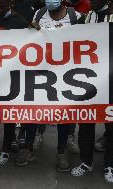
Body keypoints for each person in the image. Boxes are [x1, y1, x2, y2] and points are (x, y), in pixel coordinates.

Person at [32, 0, 83, 171]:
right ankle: (38, 134)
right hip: (44, 71)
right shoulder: (39, 14)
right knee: (41, 106)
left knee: (64, 112)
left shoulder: (75, 16)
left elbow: (85, 39)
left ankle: (62, 149)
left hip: (67, 72)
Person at [0, 0, 37, 165]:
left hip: (20, 72)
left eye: (2, 7)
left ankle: (26, 145)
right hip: (2, 72)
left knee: (25, 111)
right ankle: (7, 146)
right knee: (7, 111)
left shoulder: (21, 22)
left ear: (11, 4)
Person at [71, 0, 113, 183]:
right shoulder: (85, 18)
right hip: (88, 80)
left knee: (111, 126)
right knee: (86, 122)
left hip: (110, 80)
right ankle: (86, 161)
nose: (90, 1)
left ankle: (110, 164)